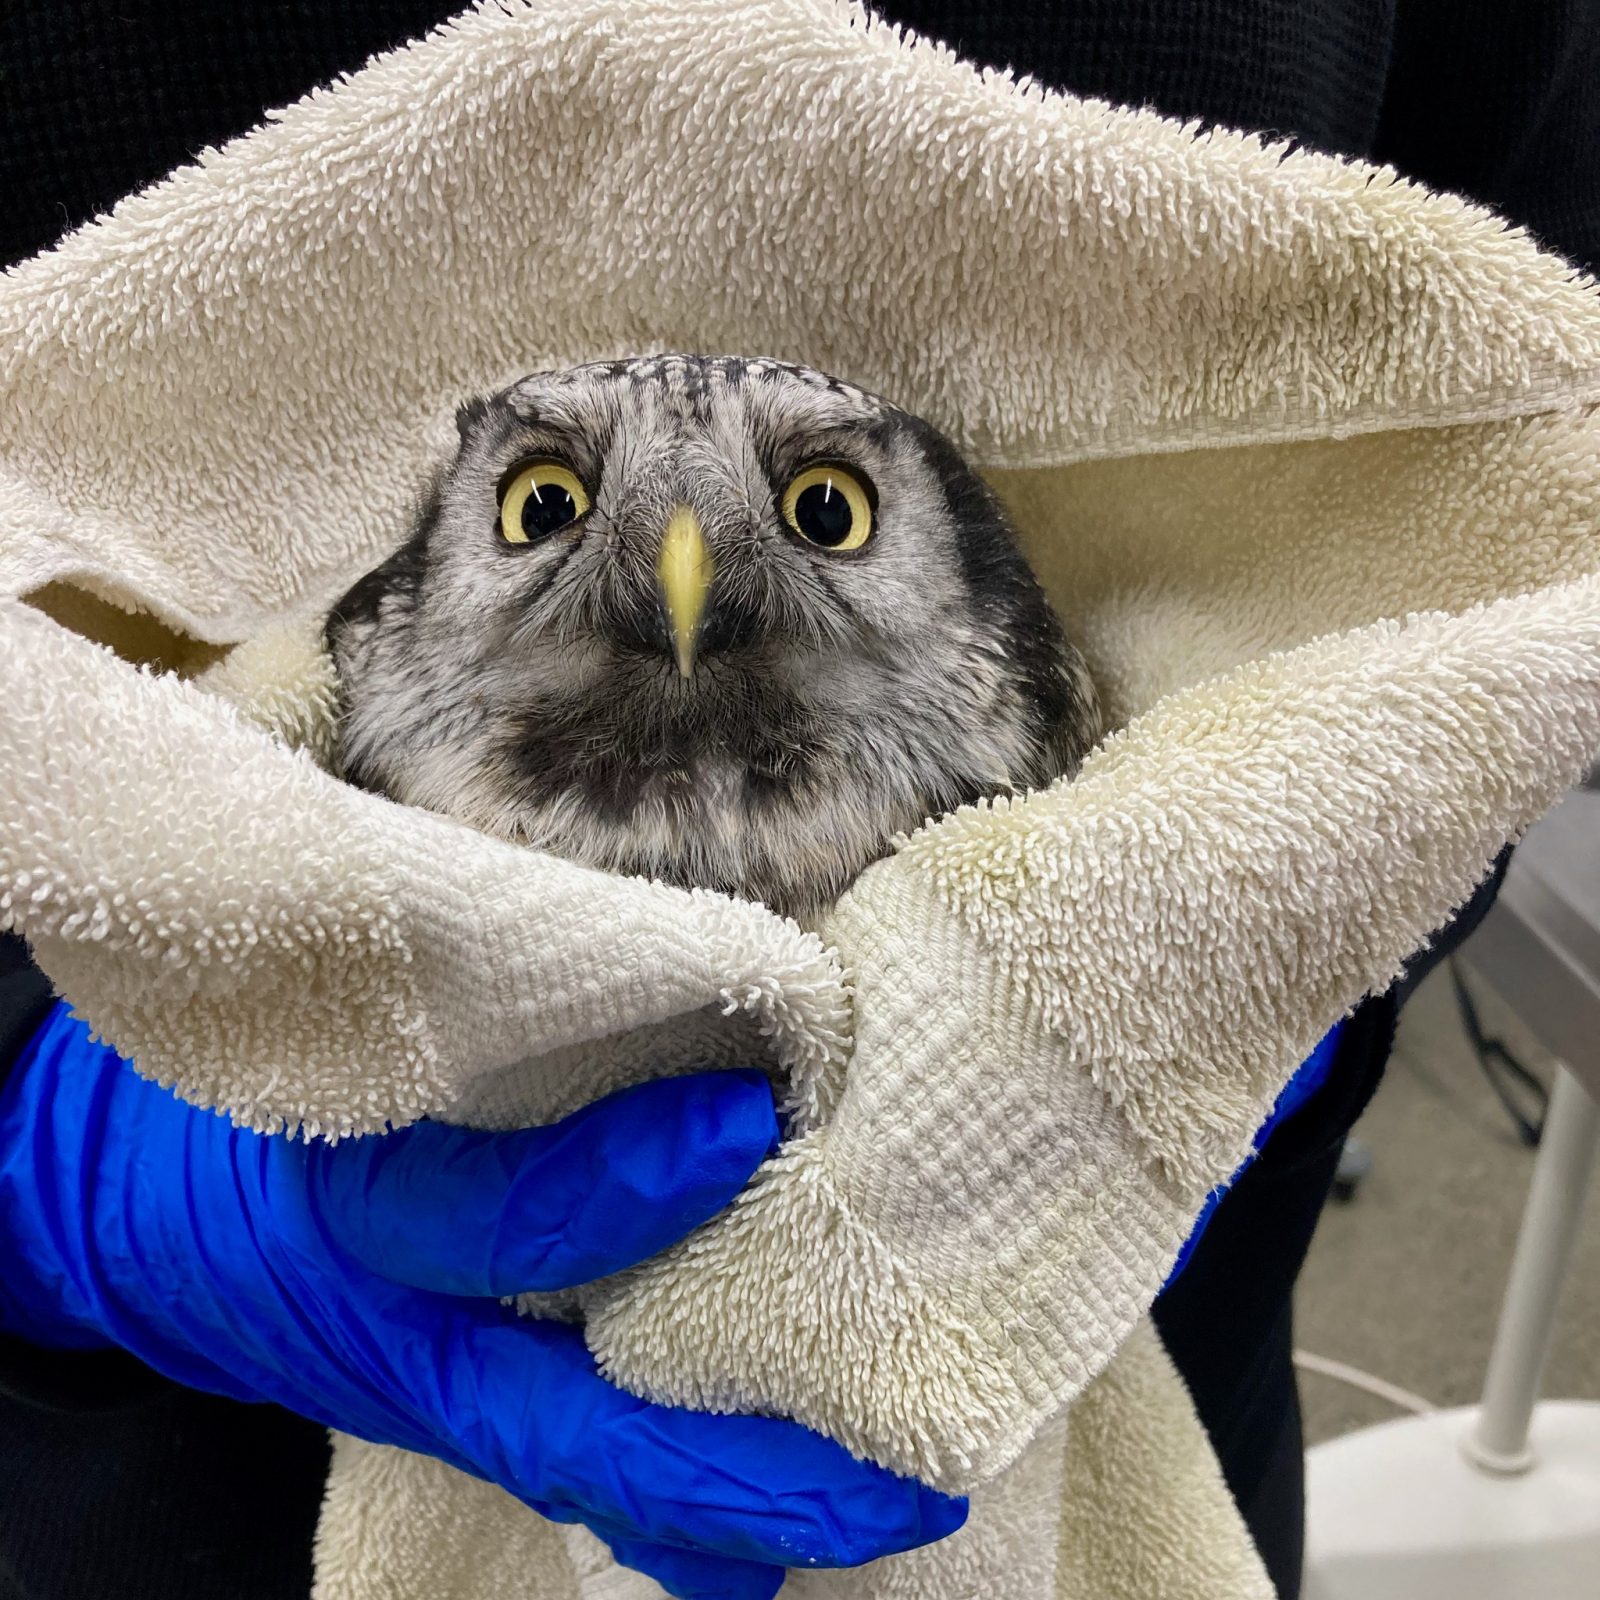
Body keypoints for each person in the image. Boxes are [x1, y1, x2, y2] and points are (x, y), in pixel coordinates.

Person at [3, 5, 1597, 1599]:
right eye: (545, 503)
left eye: (823, 508)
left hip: (1113, 1375)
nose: (679, 561)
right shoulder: (360, 700)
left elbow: (1511, 476)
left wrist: (1274, 929)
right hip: (194, 1491)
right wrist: (42, 1129)